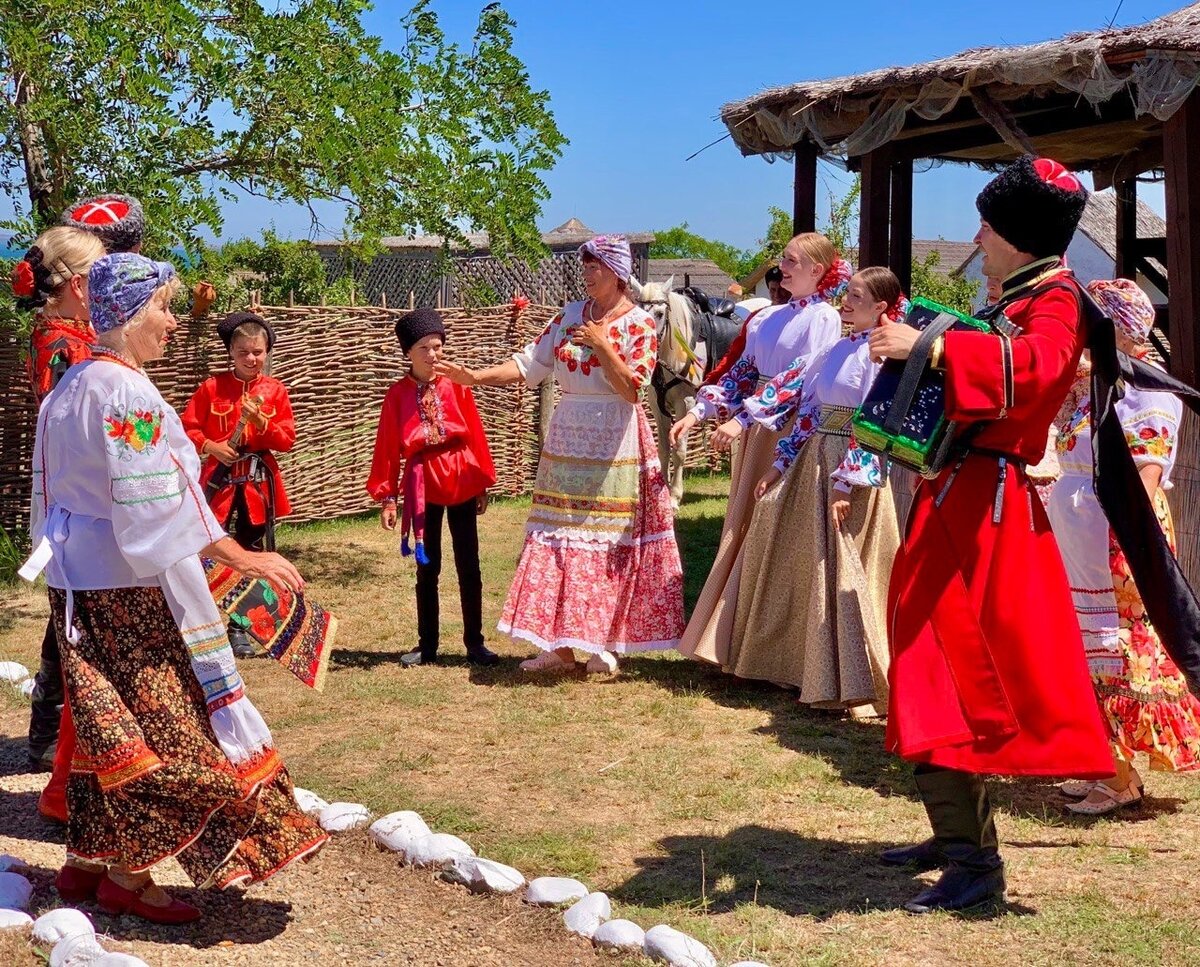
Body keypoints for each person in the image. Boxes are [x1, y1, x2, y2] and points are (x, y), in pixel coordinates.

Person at [21, 252, 326, 923]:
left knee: (110, 725)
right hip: (130, 585)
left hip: (79, 584)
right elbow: (151, 504)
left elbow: (49, 496)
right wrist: (237, 554)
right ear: (128, 315)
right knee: (166, 729)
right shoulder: (125, 392)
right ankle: (132, 876)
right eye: (161, 307)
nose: (170, 322)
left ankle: (88, 861)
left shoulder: (72, 385)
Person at [866, 156, 1114, 914]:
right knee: (923, 654)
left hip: (988, 507)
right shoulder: (1019, 294)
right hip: (959, 492)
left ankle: (976, 866)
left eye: (986, 222)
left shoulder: (1059, 301)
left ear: (1015, 232)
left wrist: (929, 348)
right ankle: (954, 835)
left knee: (937, 664)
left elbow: (1035, 371)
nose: (976, 232)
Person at [437, 235, 684, 674]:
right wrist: (473, 377)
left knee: (607, 540)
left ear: (615, 271)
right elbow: (530, 363)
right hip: (568, 437)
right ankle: (562, 646)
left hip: (614, 439)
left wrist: (603, 344)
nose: (586, 274)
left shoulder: (641, 325)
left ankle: (603, 644)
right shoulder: (569, 316)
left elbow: (632, 388)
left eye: (594, 267)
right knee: (559, 536)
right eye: (584, 267)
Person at [1046, 278, 1200, 815]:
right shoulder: (1091, 391)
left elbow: (1146, 477)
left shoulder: (1149, 395)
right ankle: (1103, 763)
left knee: (1114, 647)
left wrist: (1122, 546)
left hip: (1118, 540)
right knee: (1085, 647)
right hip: (1078, 534)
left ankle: (1121, 777)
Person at [725, 267, 905, 713]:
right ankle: (805, 668)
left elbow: (875, 426)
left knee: (845, 570)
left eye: (857, 296)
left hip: (851, 473)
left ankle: (854, 679)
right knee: (805, 564)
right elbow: (807, 414)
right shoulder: (833, 350)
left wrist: (846, 482)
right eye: (845, 293)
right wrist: (780, 464)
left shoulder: (883, 359)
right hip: (814, 465)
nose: (845, 301)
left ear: (881, 306)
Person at [669, 233, 848, 667]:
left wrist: (743, 417)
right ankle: (737, 642)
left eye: (792, 261)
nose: (782, 267)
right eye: (783, 260)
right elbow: (743, 371)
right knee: (744, 527)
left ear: (817, 271)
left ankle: (778, 652)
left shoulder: (824, 318)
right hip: (754, 431)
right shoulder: (768, 316)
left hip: (791, 433)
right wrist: (700, 410)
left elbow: (800, 376)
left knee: (776, 532)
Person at [12, 227, 107, 786]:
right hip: (74, 485)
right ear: (75, 283)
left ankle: (50, 735)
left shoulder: (76, 330)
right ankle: (50, 737)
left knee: (71, 616)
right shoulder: (57, 339)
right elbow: (68, 416)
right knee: (71, 615)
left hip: (80, 481)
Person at [366, 307, 500, 667]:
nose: (433, 354)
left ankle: (475, 642)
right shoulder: (396, 396)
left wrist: (482, 482)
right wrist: (388, 498)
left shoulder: (456, 385)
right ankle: (427, 645)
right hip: (423, 481)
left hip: (460, 476)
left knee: (469, 564)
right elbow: (387, 448)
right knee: (429, 567)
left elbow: (474, 432)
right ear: (408, 352)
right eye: (424, 347)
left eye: (437, 346)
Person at [182, 311, 296, 657]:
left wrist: (263, 423)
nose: (252, 359)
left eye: (258, 352)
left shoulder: (274, 391)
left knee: (252, 553)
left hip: (256, 487)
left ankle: (241, 628)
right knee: (208, 552)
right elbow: (187, 428)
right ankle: (202, 625)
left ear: (267, 352)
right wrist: (210, 446)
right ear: (231, 353)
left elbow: (287, 439)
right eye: (244, 352)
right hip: (218, 486)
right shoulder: (212, 388)